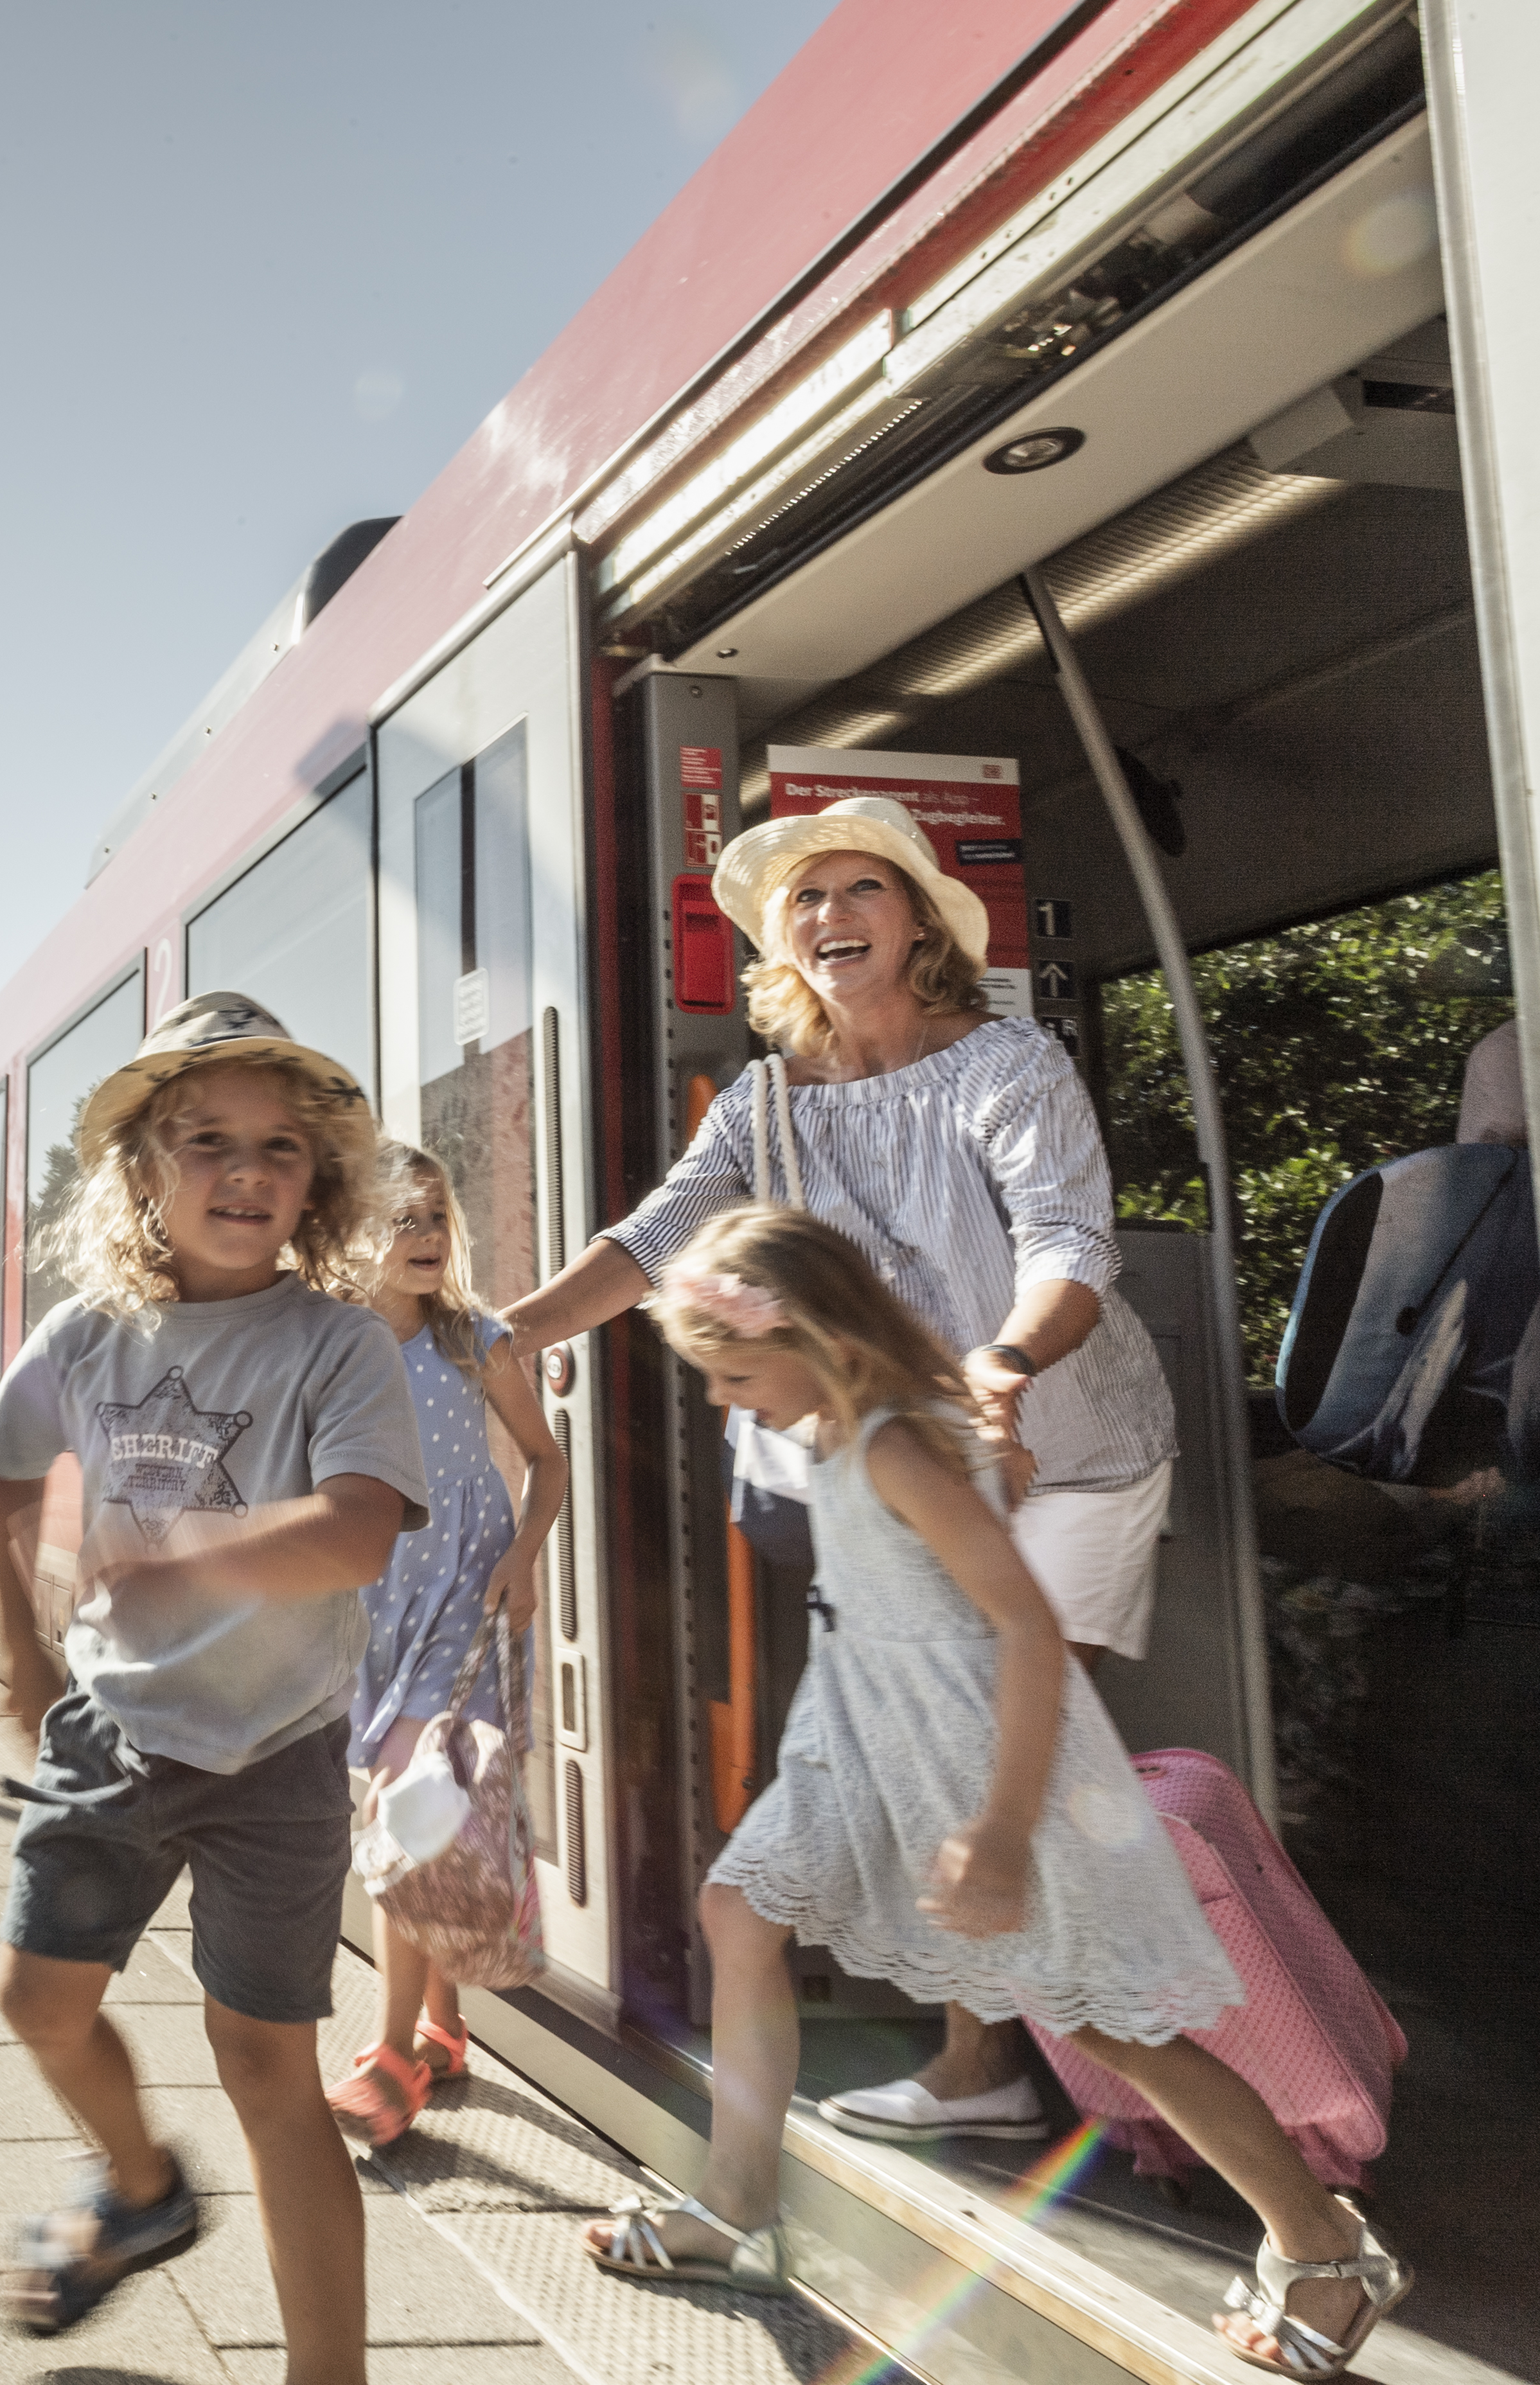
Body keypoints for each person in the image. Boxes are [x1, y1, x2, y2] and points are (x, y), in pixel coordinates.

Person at [586, 1206, 1408, 2381]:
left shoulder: (893, 1446)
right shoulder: (848, 1425)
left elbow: (1025, 1628)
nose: (723, 1400)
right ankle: (734, 2204)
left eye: (731, 1371)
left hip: (975, 1758)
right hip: (863, 1739)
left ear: (812, 1337)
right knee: (738, 1913)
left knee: (1106, 2021)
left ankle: (1323, 2247)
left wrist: (1004, 1828)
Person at [498, 793, 1175, 2145]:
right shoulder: (765, 1102)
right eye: (805, 898)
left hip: (1071, 1453)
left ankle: (1026, 2056)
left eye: (861, 887)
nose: (829, 915)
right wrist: (505, 1331)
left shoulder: (1007, 1066)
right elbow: (658, 1238)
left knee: (1003, 1749)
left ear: (920, 919)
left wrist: (1004, 1365)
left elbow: (1067, 1245)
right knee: (949, 1760)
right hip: (906, 1479)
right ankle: (1005, 2052)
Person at [0, 992, 427, 2384]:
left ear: (319, 1182)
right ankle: (139, 2176)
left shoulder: (337, 1343)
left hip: (277, 1750)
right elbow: (6, 1468)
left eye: (279, 1149)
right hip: (112, 1731)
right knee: (39, 2001)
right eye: (205, 1140)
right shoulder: (87, 1334)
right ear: (142, 1172)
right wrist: (24, 1649)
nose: (244, 1171)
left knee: (268, 2065)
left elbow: (359, 1527)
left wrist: (182, 1549)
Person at [323, 1140, 562, 2150]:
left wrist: (528, 1555)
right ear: (353, 1233)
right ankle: (445, 2028)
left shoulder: (477, 1340)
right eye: (399, 1219)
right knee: (418, 1812)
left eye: (434, 1218)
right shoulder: (328, 1343)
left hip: (465, 1599)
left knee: (406, 1809)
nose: (423, 1237)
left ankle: (388, 2059)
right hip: (372, 1602)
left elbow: (546, 1459)